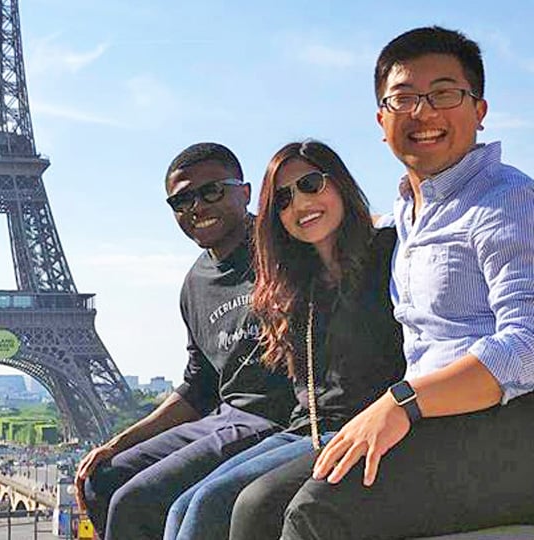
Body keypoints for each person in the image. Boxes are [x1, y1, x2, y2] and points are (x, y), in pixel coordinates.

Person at [233, 26, 534, 540]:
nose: (423, 112)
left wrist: (402, 400)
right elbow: (343, 233)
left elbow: (533, 347)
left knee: (319, 511)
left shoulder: (511, 204)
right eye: (403, 98)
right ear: (382, 122)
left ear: (480, 110)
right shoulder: (406, 219)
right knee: (256, 508)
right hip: (444, 421)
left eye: (445, 94)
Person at [163, 140, 405, 540]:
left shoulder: (389, 252)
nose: (300, 203)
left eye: (311, 184)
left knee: (215, 505)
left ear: (339, 184)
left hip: (359, 428)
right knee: (184, 505)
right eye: (284, 198)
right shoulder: (295, 280)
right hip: (305, 429)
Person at [74, 143, 297, 539]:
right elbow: (198, 388)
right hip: (226, 419)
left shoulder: (288, 246)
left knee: (136, 499)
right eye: (181, 200)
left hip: (278, 420)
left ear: (244, 192)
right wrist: (117, 443)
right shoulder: (194, 283)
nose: (197, 206)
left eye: (211, 191)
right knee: (103, 479)